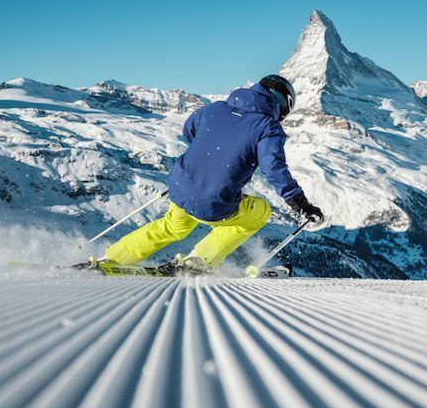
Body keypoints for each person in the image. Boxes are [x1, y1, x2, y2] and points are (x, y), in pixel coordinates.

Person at [94, 74, 324, 274]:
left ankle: (112, 258)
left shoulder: (215, 108)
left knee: (170, 227)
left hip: (181, 188)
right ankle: (198, 261)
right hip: (214, 203)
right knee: (260, 212)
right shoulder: (267, 127)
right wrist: (300, 203)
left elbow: (189, 130)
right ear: (284, 105)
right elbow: (273, 168)